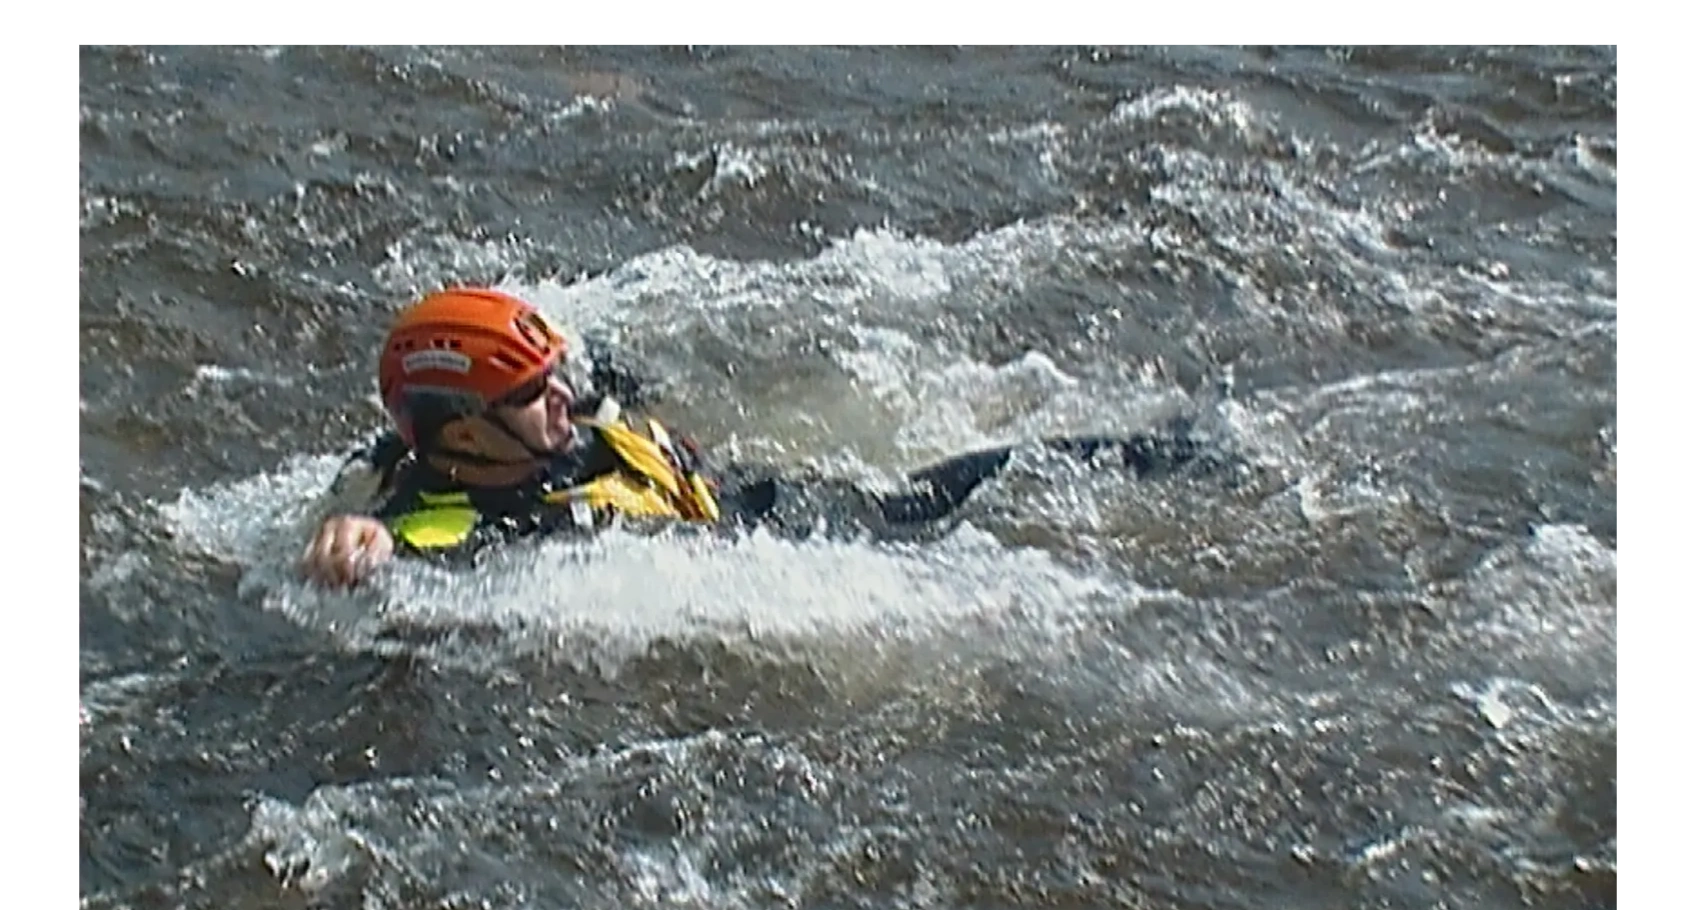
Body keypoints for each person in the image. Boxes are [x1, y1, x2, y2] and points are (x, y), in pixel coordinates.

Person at [300, 286, 1241, 588]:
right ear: (463, 426)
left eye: (560, 379)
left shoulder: (528, 427)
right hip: (780, 552)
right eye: (535, 392)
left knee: (976, 486)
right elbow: (397, 535)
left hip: (784, 505)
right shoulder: (442, 517)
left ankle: (1188, 455)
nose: (564, 401)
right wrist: (361, 542)